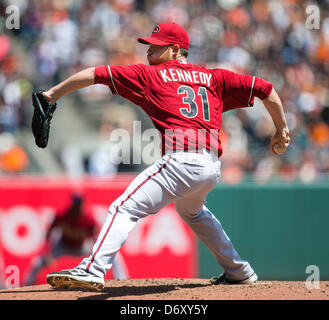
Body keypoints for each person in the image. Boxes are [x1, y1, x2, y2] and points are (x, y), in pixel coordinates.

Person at [43, 23, 290, 291]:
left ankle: (92, 269)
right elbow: (265, 88)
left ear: (174, 49)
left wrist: (52, 94)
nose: (148, 51)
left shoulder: (150, 75)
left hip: (182, 160)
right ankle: (238, 271)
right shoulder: (215, 77)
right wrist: (282, 129)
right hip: (210, 166)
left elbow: (95, 74)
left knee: (123, 208)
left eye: (155, 46)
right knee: (192, 211)